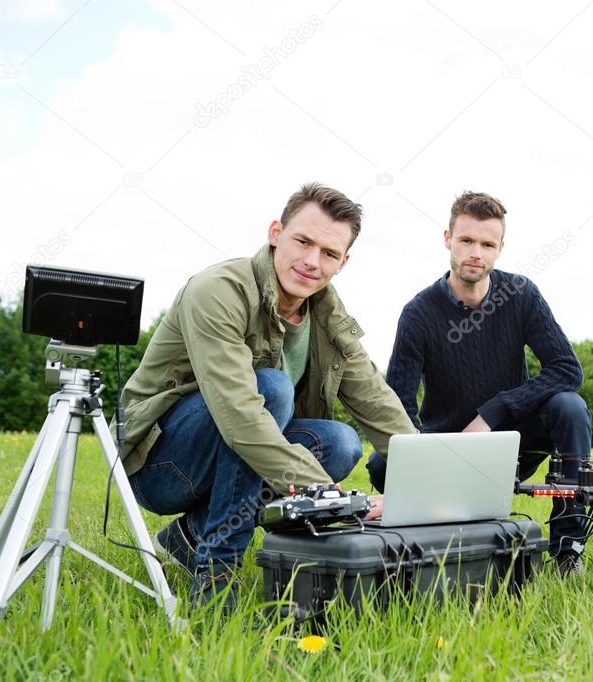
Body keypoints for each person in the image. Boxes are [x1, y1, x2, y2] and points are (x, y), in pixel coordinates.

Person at [116, 183, 416, 610]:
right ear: (276, 232)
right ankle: (216, 573)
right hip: (161, 465)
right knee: (269, 389)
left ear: (343, 262)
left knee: (341, 443)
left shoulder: (327, 312)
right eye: (303, 241)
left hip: (233, 454)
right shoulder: (219, 290)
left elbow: (374, 396)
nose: (312, 261)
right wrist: (333, 497)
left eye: (329, 253)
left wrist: (427, 478)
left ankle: (191, 538)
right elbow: (240, 415)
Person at [366, 191, 592, 576]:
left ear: (500, 248)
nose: (476, 252)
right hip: (447, 451)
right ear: (447, 239)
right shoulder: (418, 313)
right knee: (379, 464)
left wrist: (493, 412)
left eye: (488, 244)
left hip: (513, 447)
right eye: (466, 240)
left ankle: (568, 550)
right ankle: (430, 515)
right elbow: (399, 403)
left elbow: (566, 369)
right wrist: (426, 462)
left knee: (569, 405)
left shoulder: (520, 295)